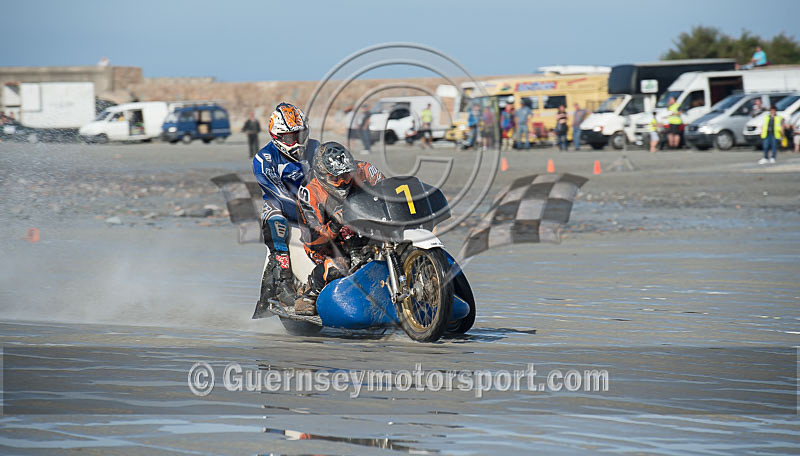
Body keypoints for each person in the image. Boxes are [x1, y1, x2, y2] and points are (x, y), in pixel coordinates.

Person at [294, 142, 385, 315]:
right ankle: (309, 293)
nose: (342, 182)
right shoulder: (309, 193)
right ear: (322, 176)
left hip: (366, 232)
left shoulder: (364, 170)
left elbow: (388, 190)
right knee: (338, 267)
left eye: (346, 176)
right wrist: (336, 224)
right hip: (327, 244)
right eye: (335, 179)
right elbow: (313, 240)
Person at [252, 102, 314, 312]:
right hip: (284, 211)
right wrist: (310, 210)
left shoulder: (316, 149)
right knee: (275, 219)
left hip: (318, 208)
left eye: (300, 135)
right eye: (290, 138)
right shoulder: (265, 158)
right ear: (276, 136)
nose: (296, 142)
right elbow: (278, 193)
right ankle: (283, 283)